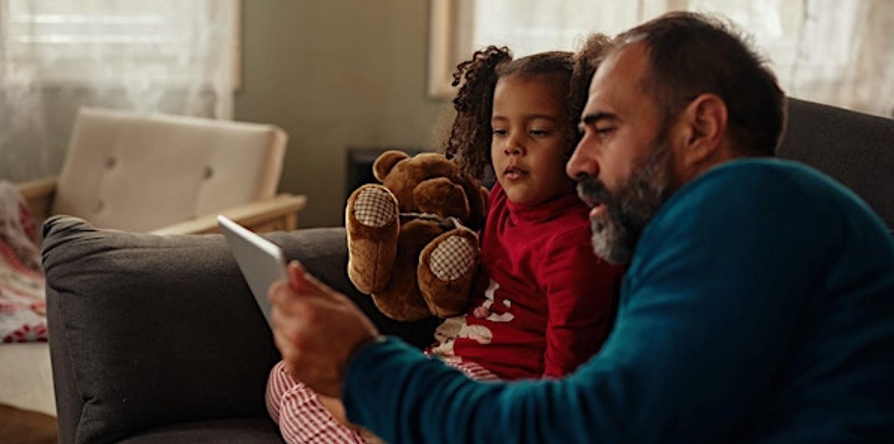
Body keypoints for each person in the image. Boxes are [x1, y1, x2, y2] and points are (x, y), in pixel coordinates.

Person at [269, 11, 894, 443]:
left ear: (700, 129)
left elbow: (590, 426)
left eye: (604, 128)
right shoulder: (707, 228)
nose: (576, 161)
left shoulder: (746, 205)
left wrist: (364, 369)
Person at [265, 41, 624, 443]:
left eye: (538, 131)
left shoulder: (574, 243)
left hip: (494, 386)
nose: (512, 146)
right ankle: (367, 425)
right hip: (444, 358)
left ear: (581, 139)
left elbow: (569, 371)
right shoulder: (502, 202)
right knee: (285, 375)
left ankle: (366, 423)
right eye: (500, 130)